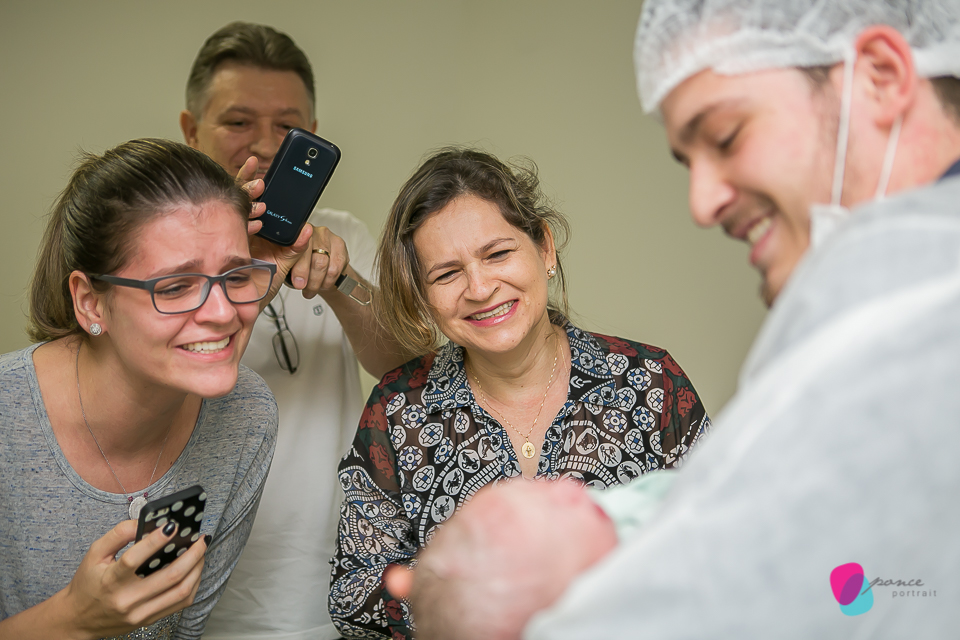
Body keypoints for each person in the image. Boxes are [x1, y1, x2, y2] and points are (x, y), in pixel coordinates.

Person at [382, 1, 960, 638]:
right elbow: (854, 582)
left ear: (880, 76)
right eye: (688, 162)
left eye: (727, 136)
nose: (701, 203)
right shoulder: (867, 306)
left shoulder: (914, 319)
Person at [328, 147, 710, 638]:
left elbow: (722, 542)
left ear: (545, 249)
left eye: (498, 254)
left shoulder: (652, 382)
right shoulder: (398, 410)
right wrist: (478, 600)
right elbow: (354, 597)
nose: (480, 286)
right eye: (446, 274)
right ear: (424, 296)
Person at [0, 138, 314, 639]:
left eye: (235, 275)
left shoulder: (246, 417)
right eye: (174, 287)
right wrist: (75, 620)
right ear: (90, 303)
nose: (222, 312)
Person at [178, 22, 408, 640]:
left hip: (321, 589)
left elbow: (405, 367)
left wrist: (341, 281)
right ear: (189, 129)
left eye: (289, 126)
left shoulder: (342, 234)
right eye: (238, 121)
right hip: (186, 593)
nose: (266, 143)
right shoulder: (156, 251)